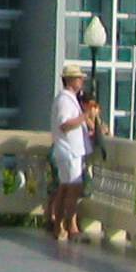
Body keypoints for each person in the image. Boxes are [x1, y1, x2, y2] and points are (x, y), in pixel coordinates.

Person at [47, 65, 90, 240]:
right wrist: (84, 117)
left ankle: (62, 227)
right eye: (79, 78)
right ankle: (65, 227)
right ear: (71, 80)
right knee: (71, 189)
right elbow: (64, 124)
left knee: (65, 189)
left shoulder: (68, 99)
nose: (82, 81)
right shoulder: (65, 100)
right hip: (69, 151)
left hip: (69, 151)